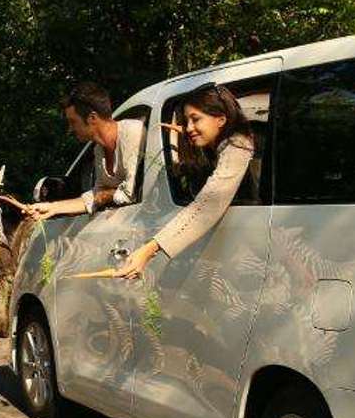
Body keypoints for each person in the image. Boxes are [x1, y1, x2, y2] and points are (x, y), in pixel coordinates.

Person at [111, 83, 254, 279]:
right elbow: (181, 168)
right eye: (186, 122)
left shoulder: (238, 146)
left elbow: (208, 203)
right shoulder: (215, 147)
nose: (189, 128)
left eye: (195, 120)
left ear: (221, 119)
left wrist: (148, 250)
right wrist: (179, 137)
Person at [25, 81, 142, 220]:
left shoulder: (133, 133)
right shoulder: (99, 149)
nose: (70, 129)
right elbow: (95, 196)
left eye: (73, 122)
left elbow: (130, 194)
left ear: (92, 118)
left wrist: (106, 195)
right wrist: (52, 208)